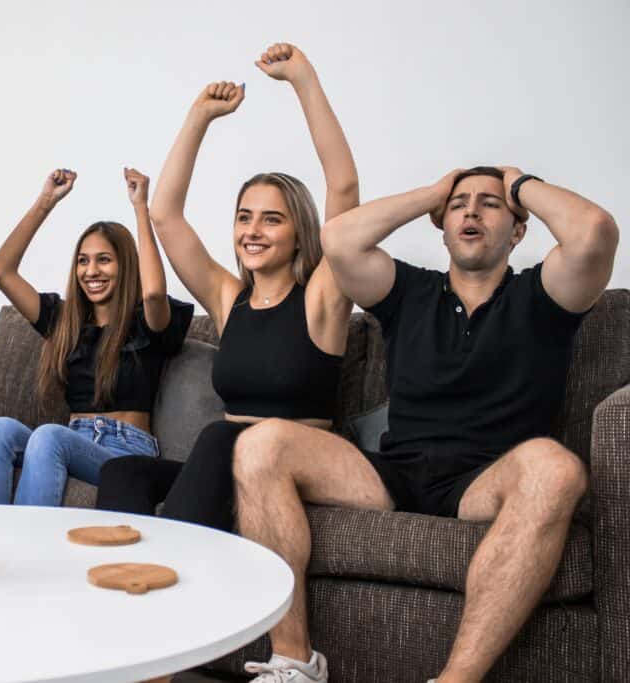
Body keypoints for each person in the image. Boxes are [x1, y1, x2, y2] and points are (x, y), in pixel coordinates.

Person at [233, 165, 619, 682]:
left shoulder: (545, 296)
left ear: (519, 229)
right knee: (261, 444)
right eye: (460, 204)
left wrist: (519, 183)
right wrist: (434, 194)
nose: (472, 211)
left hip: (483, 482)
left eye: (490, 204)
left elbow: (595, 230)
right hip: (394, 472)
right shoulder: (409, 290)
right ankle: (294, 666)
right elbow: (339, 238)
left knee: (556, 468)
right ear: (442, 222)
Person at [97, 40, 357, 593]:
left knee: (217, 437)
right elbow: (165, 215)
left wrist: (304, 81)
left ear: (299, 233)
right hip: (223, 463)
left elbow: (344, 189)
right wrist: (199, 117)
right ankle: (118, 605)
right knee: (124, 471)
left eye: (271, 220)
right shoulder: (229, 299)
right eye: (244, 218)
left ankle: (166, 594)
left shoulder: (324, 297)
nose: (253, 231)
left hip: (292, 466)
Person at [0, 167, 193, 506]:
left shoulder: (147, 321)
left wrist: (140, 208)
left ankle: (30, 547)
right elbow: (0, 270)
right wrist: (45, 202)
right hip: (71, 440)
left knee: (48, 437)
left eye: (104, 260)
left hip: (124, 450)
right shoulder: (64, 320)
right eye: (83, 261)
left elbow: (152, 294)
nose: (91, 271)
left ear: (126, 266)